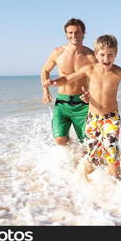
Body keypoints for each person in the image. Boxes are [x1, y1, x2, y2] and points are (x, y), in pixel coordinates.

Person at [45, 35, 121, 179]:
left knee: (111, 148)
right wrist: (54, 82)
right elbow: (68, 78)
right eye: (102, 54)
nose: (106, 58)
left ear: (115, 54)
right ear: (96, 54)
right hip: (92, 118)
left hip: (111, 118)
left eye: (110, 54)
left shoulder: (119, 72)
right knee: (93, 153)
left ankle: (116, 180)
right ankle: (97, 180)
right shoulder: (89, 69)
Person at [40, 18, 96, 146]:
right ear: (66, 34)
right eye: (70, 33)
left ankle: (83, 159)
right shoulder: (58, 52)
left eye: (77, 32)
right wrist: (45, 91)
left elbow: (99, 79)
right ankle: (72, 159)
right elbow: (45, 70)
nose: (73, 35)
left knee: (87, 141)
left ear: (83, 33)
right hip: (62, 103)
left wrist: (91, 93)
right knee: (60, 139)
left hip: (83, 103)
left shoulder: (91, 55)